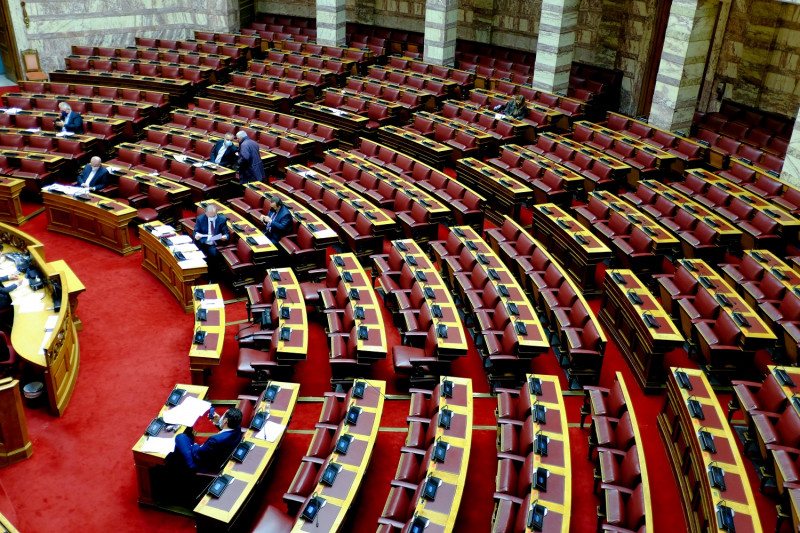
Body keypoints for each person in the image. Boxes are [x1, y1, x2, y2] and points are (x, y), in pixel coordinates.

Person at [171, 408, 243, 473]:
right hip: (219, 456)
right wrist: (218, 422)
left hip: (205, 465)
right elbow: (226, 433)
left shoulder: (214, 440)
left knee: (180, 437)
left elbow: (199, 453)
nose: (222, 416)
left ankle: (189, 465)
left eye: (223, 415)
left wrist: (194, 445)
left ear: (226, 421)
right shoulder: (237, 427)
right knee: (187, 440)